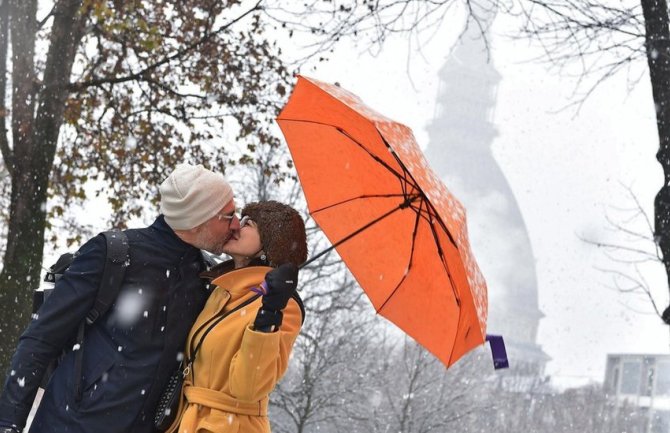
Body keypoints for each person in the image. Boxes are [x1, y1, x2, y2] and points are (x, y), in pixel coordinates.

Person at [0, 163, 240, 433]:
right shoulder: (114, 254)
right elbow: (41, 339)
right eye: (228, 216)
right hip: (70, 425)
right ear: (198, 218)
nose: (237, 224)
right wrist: (9, 424)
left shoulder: (206, 278)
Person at [166, 200, 307, 433]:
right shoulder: (222, 291)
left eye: (248, 223)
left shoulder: (285, 306)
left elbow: (248, 387)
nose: (236, 227)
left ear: (270, 243)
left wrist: (270, 310)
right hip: (190, 421)